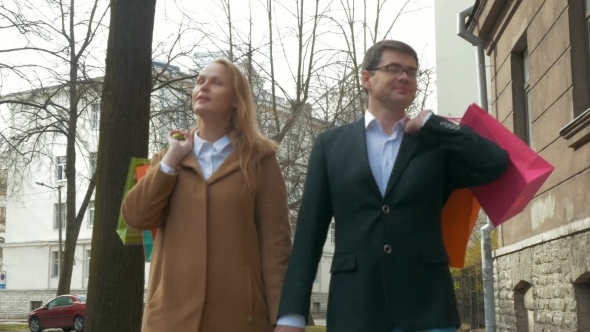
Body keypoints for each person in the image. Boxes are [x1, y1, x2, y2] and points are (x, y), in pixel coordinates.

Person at [274, 40, 510, 332]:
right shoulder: (330, 145)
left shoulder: (435, 146)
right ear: (366, 78)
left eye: (412, 72)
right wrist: (291, 315)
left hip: (428, 308)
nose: (405, 77)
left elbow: (496, 163)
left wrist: (434, 124)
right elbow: (308, 237)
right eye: (394, 68)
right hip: (355, 309)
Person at [122, 58, 293, 332]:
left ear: (236, 100)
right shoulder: (168, 158)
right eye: (200, 81)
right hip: (169, 320)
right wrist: (170, 162)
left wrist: (284, 317)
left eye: (216, 82)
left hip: (239, 319)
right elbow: (135, 216)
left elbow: (276, 245)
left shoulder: (260, 159)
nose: (204, 87)